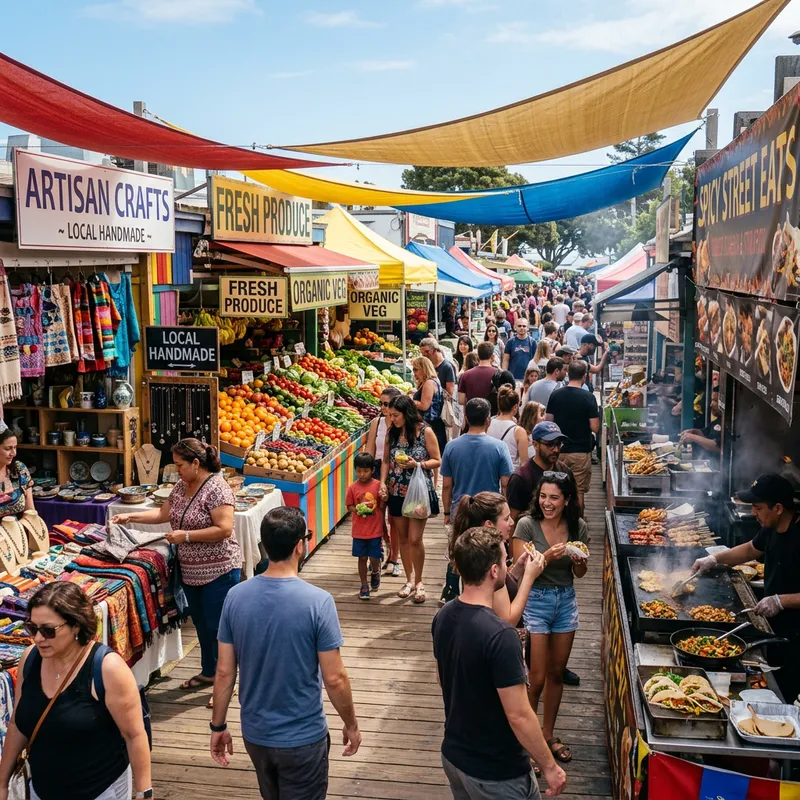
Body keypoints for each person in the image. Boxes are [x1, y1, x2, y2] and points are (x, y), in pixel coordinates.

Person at [211, 507, 361, 798]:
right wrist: (351, 723)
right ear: (299, 546)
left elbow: (224, 671)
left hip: (256, 736)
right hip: (302, 738)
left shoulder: (235, 597)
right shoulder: (318, 602)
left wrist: (218, 725)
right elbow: (335, 678)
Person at [433, 527, 567, 800]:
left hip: (455, 757)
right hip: (496, 772)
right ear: (494, 571)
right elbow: (519, 715)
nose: (508, 565)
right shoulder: (502, 635)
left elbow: (441, 678)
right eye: (505, 561)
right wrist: (549, 766)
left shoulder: (443, 616)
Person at [112, 438, 238, 704]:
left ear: (196, 463)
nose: (177, 470)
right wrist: (129, 516)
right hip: (191, 571)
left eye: (180, 465)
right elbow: (161, 514)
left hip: (219, 570)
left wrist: (188, 537)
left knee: (220, 628)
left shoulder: (217, 488)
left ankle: (227, 683)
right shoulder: (182, 486)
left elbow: (224, 529)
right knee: (203, 625)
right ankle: (209, 672)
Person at [0, 582, 152, 800]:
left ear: (76, 626)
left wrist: (144, 793)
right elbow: (17, 723)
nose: (38, 638)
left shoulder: (107, 668)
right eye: (33, 628)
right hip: (41, 791)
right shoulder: (30, 659)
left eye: (48, 630)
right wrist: (2, 783)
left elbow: (134, 735)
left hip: (100, 791)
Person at [692, 474, 800, 703]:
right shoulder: (772, 528)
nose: (753, 513)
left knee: (788, 693)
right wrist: (714, 559)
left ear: (778, 508)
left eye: (758, 508)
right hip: (776, 628)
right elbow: (751, 550)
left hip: (797, 635)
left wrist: (781, 601)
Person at [512, 473, 590, 766]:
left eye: (554, 497)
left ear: (567, 500)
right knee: (536, 677)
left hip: (565, 600)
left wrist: (579, 562)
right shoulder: (526, 525)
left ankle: (546, 734)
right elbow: (523, 569)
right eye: (543, 496)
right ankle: (527, 741)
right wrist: (550, 554)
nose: (547, 503)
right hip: (535, 600)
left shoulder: (577, 527)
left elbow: (579, 574)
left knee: (557, 673)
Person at [447, 492, 545, 624]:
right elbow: (508, 620)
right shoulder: (488, 561)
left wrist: (517, 570)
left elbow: (500, 590)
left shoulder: (475, 553)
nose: (512, 522)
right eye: (506, 518)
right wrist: (529, 577)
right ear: (489, 525)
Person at [380, 395, 442, 604]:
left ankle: (420, 580)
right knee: (403, 538)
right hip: (396, 489)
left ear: (406, 414)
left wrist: (418, 464)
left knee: (416, 539)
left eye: (395, 415)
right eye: (390, 415)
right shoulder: (392, 433)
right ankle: (408, 580)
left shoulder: (426, 432)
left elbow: (437, 460)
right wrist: (382, 483)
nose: (392, 419)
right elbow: (386, 461)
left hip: (417, 492)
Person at [441, 398, 514, 532]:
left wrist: (446, 513)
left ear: (466, 418)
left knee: (461, 548)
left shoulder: (451, 447)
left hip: (460, 510)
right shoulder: (500, 447)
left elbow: (446, 486)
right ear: (488, 419)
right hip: (489, 511)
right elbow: (505, 484)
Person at [546, 361, 599, 511]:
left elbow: (548, 423)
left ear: (568, 374)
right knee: (578, 492)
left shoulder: (556, 395)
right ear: (585, 376)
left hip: (558, 451)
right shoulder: (588, 397)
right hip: (580, 451)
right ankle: (577, 528)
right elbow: (595, 427)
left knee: (557, 490)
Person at [365, 386, 402, 577]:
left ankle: (395, 557)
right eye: (380, 404)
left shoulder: (400, 424)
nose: (382, 408)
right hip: (378, 469)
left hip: (395, 470)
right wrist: (368, 477)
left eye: (386, 404)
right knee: (377, 516)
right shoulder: (377, 423)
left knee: (393, 518)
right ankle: (383, 549)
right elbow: (371, 449)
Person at [507, 422, 570, 523]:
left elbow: (573, 507)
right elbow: (512, 519)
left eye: (558, 444)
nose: (556, 450)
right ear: (535, 445)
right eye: (550, 445)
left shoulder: (564, 471)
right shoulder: (521, 477)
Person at [346, 452, 386, 600]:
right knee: (361, 558)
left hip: (375, 530)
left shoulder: (377, 485)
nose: (362, 474)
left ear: (372, 470)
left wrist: (384, 498)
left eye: (366, 471)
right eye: (359, 471)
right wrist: (357, 509)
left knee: (374, 557)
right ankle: (364, 584)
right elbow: (349, 506)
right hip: (359, 531)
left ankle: (376, 570)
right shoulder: (352, 487)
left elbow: (382, 505)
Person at [412, 355, 448, 468]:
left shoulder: (428, 383)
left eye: (416, 369)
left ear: (424, 368)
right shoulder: (433, 380)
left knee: (431, 458)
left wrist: (410, 400)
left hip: (430, 424)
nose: (414, 373)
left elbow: (424, 406)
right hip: (434, 424)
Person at [487, 385, 529, 468]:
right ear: (515, 407)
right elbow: (524, 463)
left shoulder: (487, 424)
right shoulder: (519, 431)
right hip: (510, 474)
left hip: (490, 472)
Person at [680, 386, 721, 459]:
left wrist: (693, 437)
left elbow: (717, 446)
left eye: (715, 401)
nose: (711, 404)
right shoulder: (718, 420)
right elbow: (706, 435)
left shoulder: (727, 424)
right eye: (712, 400)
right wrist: (695, 432)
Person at [0, 429, 34, 517]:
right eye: (8, 448)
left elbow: (30, 513)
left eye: (15, 448)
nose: (14, 453)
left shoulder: (19, 470)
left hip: (19, 529)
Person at [459, 341, 499, 409]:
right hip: (492, 415)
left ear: (478, 355)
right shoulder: (499, 374)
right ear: (492, 357)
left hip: (471, 414)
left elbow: (461, 401)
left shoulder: (465, 375)